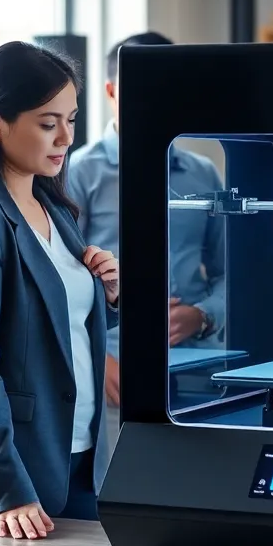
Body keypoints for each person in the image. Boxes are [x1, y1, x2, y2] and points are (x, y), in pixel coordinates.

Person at [0, 40, 121, 540]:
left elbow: (57, 329)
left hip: (77, 456)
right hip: (18, 479)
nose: (64, 139)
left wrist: (109, 294)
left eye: (72, 120)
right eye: (47, 123)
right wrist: (7, 487)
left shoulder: (52, 206)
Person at [67, 31, 227, 412]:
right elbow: (62, 282)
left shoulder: (204, 174)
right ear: (110, 91)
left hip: (198, 368)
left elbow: (232, 273)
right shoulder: (79, 174)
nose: (155, 101)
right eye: (140, 88)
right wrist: (96, 360)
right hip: (114, 371)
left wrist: (203, 317)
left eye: (168, 88)